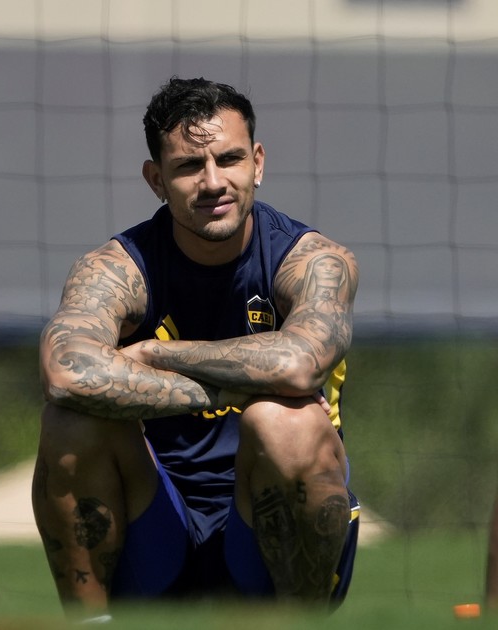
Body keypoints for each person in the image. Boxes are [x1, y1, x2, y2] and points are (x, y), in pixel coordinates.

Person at [31, 76, 360, 621]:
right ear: (156, 179)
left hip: (274, 534)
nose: (213, 182)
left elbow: (299, 363)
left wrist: (156, 354)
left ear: (257, 162)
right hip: (157, 525)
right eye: (188, 166)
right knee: (69, 420)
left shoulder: (316, 262)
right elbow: (65, 372)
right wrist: (234, 388)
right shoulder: (115, 269)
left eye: (229, 159)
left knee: (285, 422)